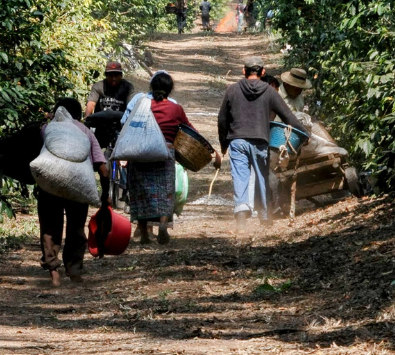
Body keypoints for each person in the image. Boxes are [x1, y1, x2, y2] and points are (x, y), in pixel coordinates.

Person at [124, 71, 215, 244]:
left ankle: (143, 231)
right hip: (165, 152)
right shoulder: (175, 109)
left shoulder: (142, 106)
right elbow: (191, 130)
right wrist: (211, 150)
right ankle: (163, 225)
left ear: (151, 88)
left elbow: (129, 126)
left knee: (141, 191)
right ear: (170, 89)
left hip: (141, 152)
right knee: (165, 191)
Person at [218, 56, 306, 227]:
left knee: (240, 178)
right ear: (263, 72)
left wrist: (224, 144)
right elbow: (289, 117)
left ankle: (241, 216)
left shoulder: (232, 90)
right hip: (260, 141)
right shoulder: (270, 92)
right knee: (262, 177)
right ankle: (265, 217)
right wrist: (304, 133)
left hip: (237, 140)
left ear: (244, 71)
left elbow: (222, 119)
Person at [37, 97, 109, 286]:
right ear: (78, 115)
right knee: (76, 227)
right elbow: (103, 168)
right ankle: (74, 271)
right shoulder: (85, 132)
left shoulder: (47, 129)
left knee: (50, 227)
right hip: (78, 185)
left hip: (49, 186)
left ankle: (53, 271)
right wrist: (105, 196)